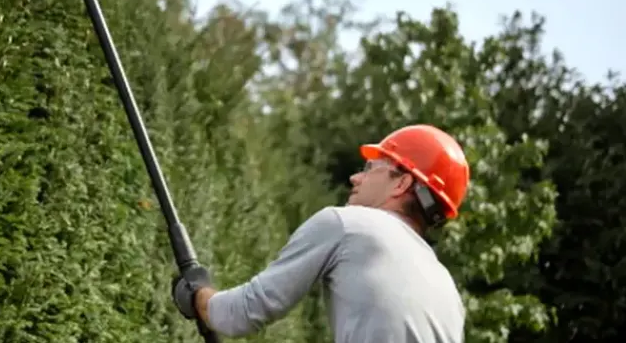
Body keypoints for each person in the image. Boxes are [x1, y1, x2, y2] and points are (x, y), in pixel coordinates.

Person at [172, 124, 470, 341]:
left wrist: (197, 294)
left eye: (370, 167)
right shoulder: (447, 290)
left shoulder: (347, 225)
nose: (355, 177)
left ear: (401, 183)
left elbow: (239, 314)